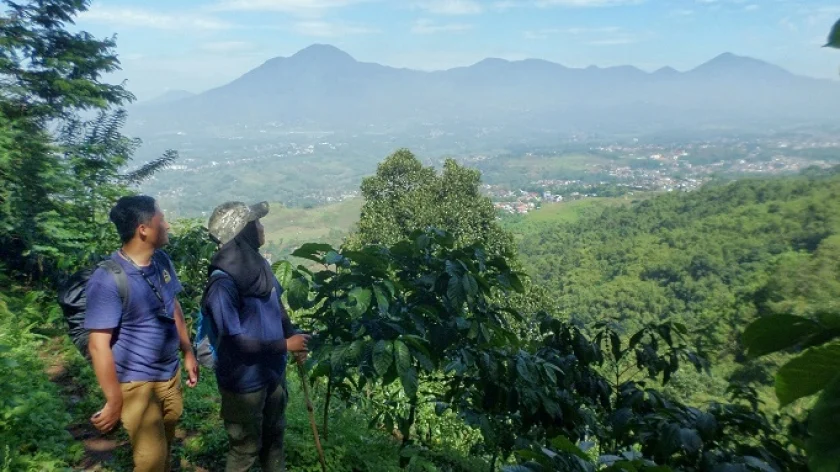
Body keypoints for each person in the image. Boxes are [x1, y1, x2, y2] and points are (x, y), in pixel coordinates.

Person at [85, 195, 200, 472]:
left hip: (168, 375)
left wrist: (187, 351)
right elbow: (98, 345)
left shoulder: (161, 261)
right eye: (162, 219)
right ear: (143, 229)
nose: (168, 225)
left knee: (165, 444)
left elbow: (172, 305)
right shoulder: (107, 280)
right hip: (136, 383)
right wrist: (114, 399)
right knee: (151, 462)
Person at [203, 201, 310, 472]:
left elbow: (277, 307)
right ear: (242, 233)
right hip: (244, 384)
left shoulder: (259, 266)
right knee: (244, 450)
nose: (262, 228)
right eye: (256, 224)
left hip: (271, 373)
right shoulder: (222, 283)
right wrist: (285, 344)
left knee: (275, 439)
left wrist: (292, 335)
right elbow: (234, 342)